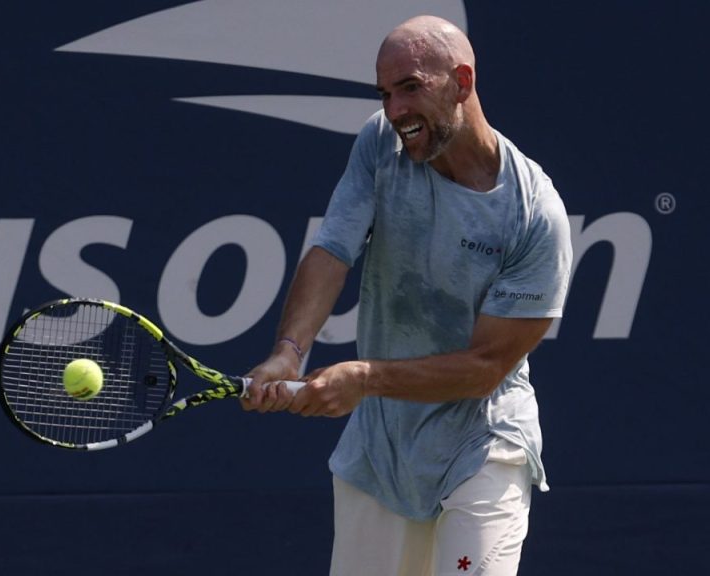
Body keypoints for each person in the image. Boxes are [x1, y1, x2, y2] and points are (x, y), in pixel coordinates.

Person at [242, 14, 572, 576]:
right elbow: (333, 250)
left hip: (483, 447)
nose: (395, 111)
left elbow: (485, 367)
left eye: (411, 88)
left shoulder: (535, 216)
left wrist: (366, 378)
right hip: (381, 450)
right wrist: (289, 352)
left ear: (462, 83)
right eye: (386, 93)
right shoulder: (380, 142)